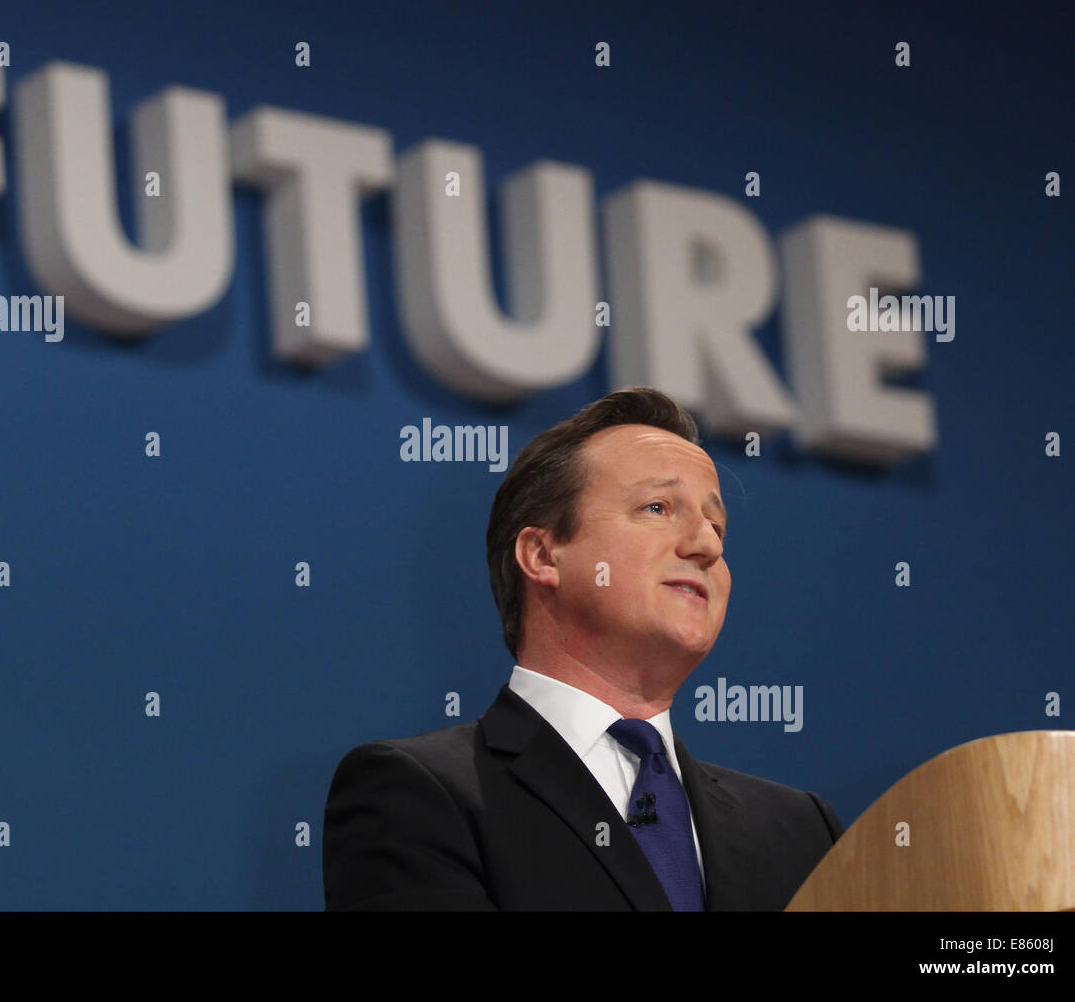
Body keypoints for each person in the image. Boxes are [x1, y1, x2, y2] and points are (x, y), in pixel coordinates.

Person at [323, 387, 844, 911]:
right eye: (658, 507)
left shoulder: (800, 830)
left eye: (717, 527)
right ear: (543, 555)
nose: (707, 545)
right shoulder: (419, 793)